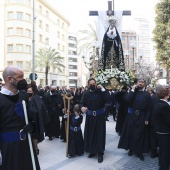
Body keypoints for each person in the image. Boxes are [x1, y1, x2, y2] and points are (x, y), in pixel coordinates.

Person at [0, 66, 40, 170]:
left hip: (27, 144)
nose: (23, 80)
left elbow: (29, 116)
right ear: (10, 79)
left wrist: (32, 125)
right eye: (20, 77)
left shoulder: (23, 95)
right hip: (9, 147)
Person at [118, 78, 151, 161]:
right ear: (137, 83)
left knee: (139, 134)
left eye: (143, 82)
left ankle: (139, 151)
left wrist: (147, 118)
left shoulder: (147, 94)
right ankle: (131, 149)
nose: (141, 83)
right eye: (139, 82)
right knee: (131, 133)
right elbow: (127, 100)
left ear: (145, 84)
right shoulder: (132, 92)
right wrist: (132, 89)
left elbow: (149, 108)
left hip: (142, 117)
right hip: (131, 116)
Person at [80, 78, 110, 163]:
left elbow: (108, 98)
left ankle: (100, 152)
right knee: (91, 134)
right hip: (90, 117)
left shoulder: (101, 92)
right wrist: (82, 107)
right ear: (88, 85)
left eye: (94, 83)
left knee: (99, 134)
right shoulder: (86, 93)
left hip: (100, 117)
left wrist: (103, 88)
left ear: (96, 84)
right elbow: (82, 102)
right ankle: (92, 151)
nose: (92, 85)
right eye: (90, 84)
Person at [154, 85, 170, 170]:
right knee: (165, 151)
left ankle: (161, 165)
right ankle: (164, 167)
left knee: (162, 150)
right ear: (166, 95)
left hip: (160, 131)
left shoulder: (158, 104)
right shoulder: (164, 106)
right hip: (165, 132)